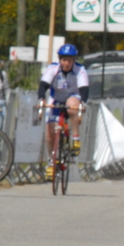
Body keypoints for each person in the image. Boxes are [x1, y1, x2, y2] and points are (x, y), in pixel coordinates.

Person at [37, 43, 88, 179]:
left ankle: (75, 138)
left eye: (69, 60)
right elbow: (43, 85)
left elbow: (84, 88)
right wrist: (41, 99)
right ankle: (52, 161)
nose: (66, 63)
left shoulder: (80, 70)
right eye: (64, 60)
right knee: (49, 133)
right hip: (56, 98)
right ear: (60, 60)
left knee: (72, 106)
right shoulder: (53, 68)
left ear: (73, 61)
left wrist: (82, 103)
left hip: (73, 97)